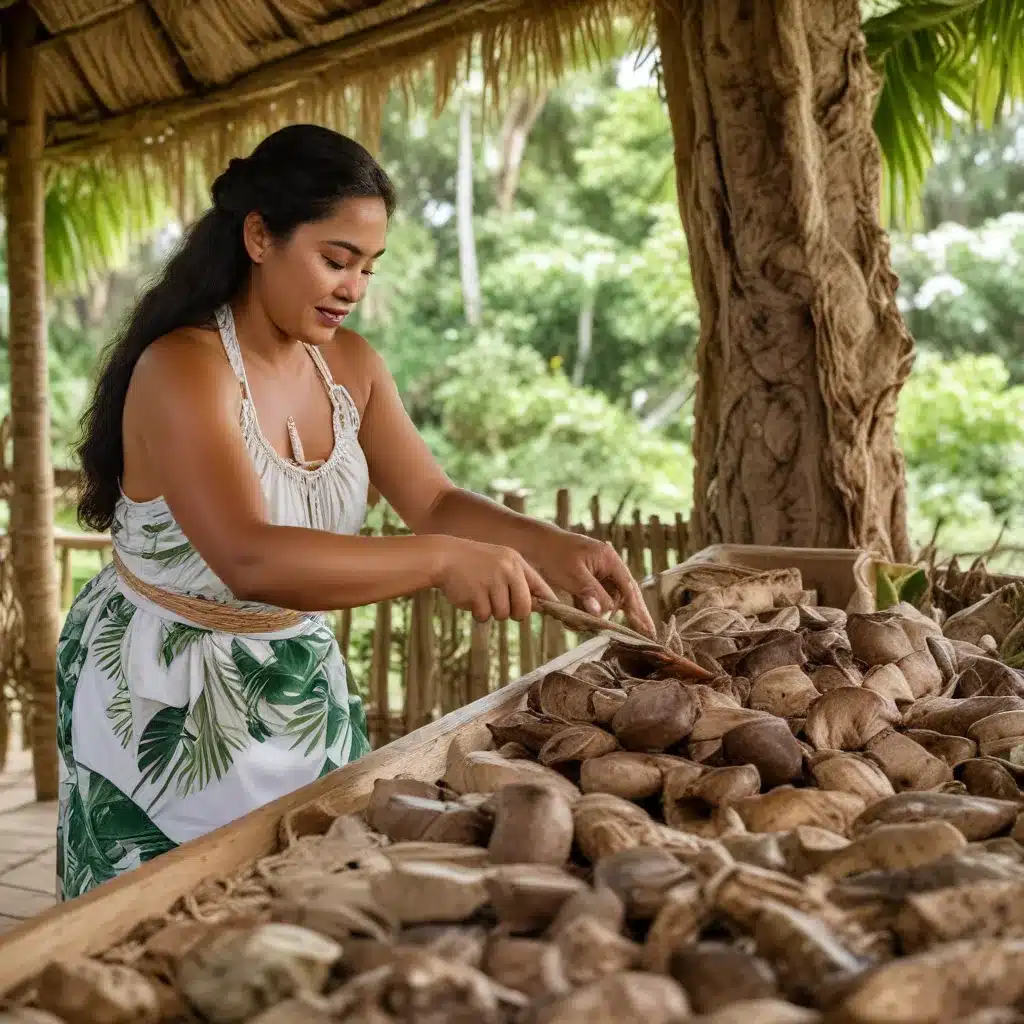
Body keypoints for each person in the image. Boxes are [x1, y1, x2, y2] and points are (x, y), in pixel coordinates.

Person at [56, 123, 655, 901]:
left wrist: (549, 543)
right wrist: (438, 560)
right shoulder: (183, 368)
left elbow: (432, 499)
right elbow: (248, 556)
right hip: (166, 688)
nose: (353, 287)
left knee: (310, 906)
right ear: (260, 236)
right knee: (165, 922)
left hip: (296, 685)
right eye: (336, 260)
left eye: (368, 268)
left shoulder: (351, 366)